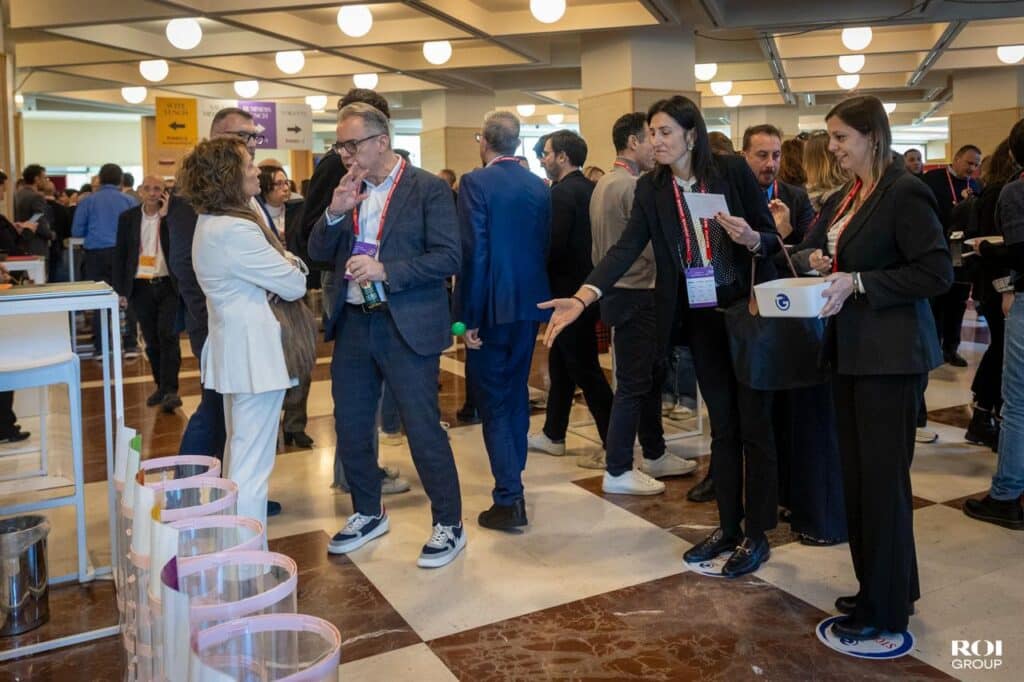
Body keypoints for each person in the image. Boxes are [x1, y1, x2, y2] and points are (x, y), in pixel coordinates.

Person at [540, 96, 781, 578]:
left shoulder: (730, 171)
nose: (656, 141)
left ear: (691, 135)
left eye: (665, 132)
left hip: (747, 314)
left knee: (754, 427)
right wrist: (583, 297)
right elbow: (626, 248)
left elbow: (771, 238)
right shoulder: (652, 188)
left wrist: (752, 239)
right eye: (652, 133)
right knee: (723, 428)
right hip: (701, 318)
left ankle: (757, 534)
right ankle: (728, 527)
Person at [816, 95, 953, 639]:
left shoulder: (904, 190)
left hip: (890, 358)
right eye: (830, 137)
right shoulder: (855, 193)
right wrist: (825, 262)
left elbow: (936, 272)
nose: (833, 147)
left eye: (841, 137)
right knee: (860, 480)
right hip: (853, 352)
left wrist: (859, 282)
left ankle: (886, 608)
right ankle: (880, 585)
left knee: (882, 483)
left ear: (872, 136)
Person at [308, 102, 465, 568]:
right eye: (339, 145)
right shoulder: (346, 189)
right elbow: (317, 252)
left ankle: (449, 522)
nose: (344, 154)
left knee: (421, 426)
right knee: (351, 423)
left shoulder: (427, 189)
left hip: (406, 321)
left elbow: (449, 257)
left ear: (382, 142)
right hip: (356, 321)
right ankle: (368, 511)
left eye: (351, 144)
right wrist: (334, 213)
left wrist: (386, 270)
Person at [178, 137, 308, 532]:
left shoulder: (211, 222)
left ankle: (235, 548)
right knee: (251, 467)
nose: (256, 171)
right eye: (248, 164)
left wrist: (282, 267)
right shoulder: (236, 229)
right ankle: (246, 556)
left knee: (239, 456)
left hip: (235, 352)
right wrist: (289, 264)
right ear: (228, 176)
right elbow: (295, 283)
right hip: (255, 357)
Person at [294, 88, 409, 495]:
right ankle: (355, 474)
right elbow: (311, 230)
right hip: (346, 278)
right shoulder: (336, 167)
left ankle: (361, 469)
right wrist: (337, 216)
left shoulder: (402, 177)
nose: (349, 150)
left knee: (371, 385)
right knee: (357, 389)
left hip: (377, 279)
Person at [591, 112, 696, 496]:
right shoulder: (634, 187)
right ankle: (618, 467)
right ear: (634, 142)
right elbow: (649, 247)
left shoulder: (604, 183)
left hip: (619, 291)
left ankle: (654, 451)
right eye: (651, 136)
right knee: (635, 384)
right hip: (638, 291)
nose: (656, 145)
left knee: (646, 379)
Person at [456, 110, 551, 529]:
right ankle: (515, 474)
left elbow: (474, 252)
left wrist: (468, 318)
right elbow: (543, 245)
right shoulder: (537, 185)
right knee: (514, 392)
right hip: (530, 304)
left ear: (484, 141)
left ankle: (509, 496)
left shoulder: (475, 182)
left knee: (493, 398)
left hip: (492, 305)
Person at [168, 108, 260, 472]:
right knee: (214, 408)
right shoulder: (192, 192)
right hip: (215, 319)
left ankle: (233, 488)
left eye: (253, 136)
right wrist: (209, 316)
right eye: (242, 136)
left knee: (235, 411)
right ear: (217, 137)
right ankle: (186, 490)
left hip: (245, 319)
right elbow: (184, 263)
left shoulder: (240, 187)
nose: (250, 144)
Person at [777, 132, 850, 547]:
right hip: (822, 320)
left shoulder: (841, 201)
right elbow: (807, 252)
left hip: (833, 324)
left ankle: (824, 517)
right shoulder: (830, 203)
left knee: (822, 423)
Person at [528, 130, 614, 463]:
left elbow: (554, 245)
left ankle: (614, 443)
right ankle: (554, 432)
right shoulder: (590, 189)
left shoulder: (561, 194)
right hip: (588, 289)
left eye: (547, 154)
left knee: (584, 368)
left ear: (563, 156)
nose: (543, 160)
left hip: (567, 294)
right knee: (562, 363)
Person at [964, 117, 1024, 529]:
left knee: (1017, 402)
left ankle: (1006, 494)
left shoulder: (1015, 192)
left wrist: (988, 251)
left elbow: (1020, 254)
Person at [963, 139, 1016, 449]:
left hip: (997, 283)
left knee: (1001, 349)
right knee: (1002, 351)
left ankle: (986, 415)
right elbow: (992, 244)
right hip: (1000, 285)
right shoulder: (1001, 193)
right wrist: (1006, 288)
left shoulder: (994, 191)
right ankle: (983, 416)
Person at [112, 175, 181, 413]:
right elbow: (120, 254)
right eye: (148, 188)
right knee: (151, 340)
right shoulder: (128, 218)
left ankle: (171, 390)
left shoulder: (171, 217)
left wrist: (167, 216)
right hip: (140, 285)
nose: (152, 193)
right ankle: (161, 386)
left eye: (157, 189)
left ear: (164, 192)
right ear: (140, 191)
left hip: (168, 284)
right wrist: (121, 290)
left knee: (168, 335)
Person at [257, 164, 314, 449]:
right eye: (277, 184)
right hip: (266, 296)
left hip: (296, 290)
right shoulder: (254, 216)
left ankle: (295, 424)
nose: (284, 188)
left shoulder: (298, 211)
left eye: (286, 182)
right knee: (274, 361)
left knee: (302, 359)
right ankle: (270, 424)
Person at [71, 163, 141, 356]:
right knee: (128, 296)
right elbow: (138, 229)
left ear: (100, 179)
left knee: (100, 299)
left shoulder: (88, 201)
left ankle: (101, 347)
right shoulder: (129, 201)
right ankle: (130, 345)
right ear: (121, 180)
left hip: (96, 255)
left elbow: (76, 231)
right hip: (124, 254)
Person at [922, 143, 982, 367]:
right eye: (969, 163)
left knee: (958, 303)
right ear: (956, 159)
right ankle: (932, 348)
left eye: (976, 165)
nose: (972, 169)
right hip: (937, 248)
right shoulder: (933, 179)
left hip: (962, 253)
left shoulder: (975, 184)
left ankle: (951, 348)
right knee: (936, 302)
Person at [742, 124, 814, 244]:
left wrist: (786, 231)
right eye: (762, 155)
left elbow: (808, 249)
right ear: (744, 156)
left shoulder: (798, 198)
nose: (771, 164)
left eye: (776, 155)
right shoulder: (730, 195)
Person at [14, 164, 55, 260]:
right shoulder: (36, 197)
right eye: (44, 178)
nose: (46, 180)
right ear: (37, 179)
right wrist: (50, 234)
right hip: (36, 244)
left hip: (22, 242)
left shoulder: (18, 194)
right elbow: (38, 219)